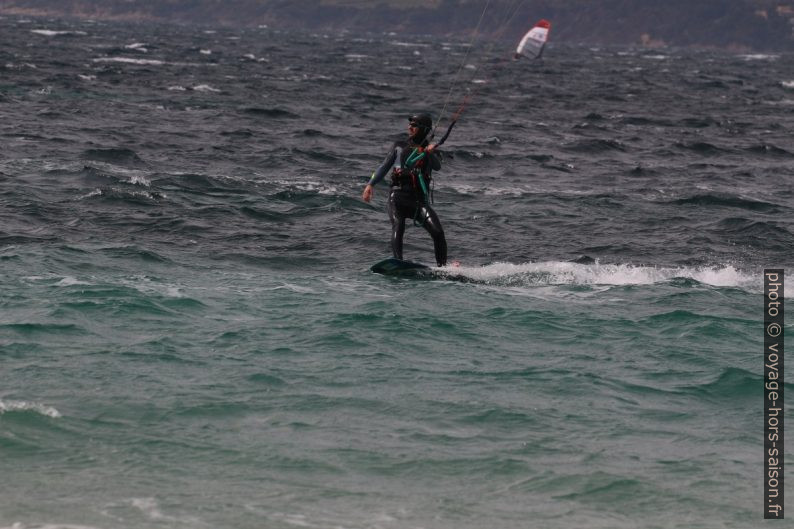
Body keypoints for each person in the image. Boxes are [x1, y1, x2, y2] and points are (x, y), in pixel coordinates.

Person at [362, 113, 447, 267]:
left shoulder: (430, 150)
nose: (409, 127)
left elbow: (437, 166)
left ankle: (443, 268)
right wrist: (370, 184)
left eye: (414, 125)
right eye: (410, 124)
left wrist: (429, 152)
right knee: (398, 225)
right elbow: (384, 166)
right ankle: (398, 262)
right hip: (398, 197)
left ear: (423, 129)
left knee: (438, 233)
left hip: (419, 201)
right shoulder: (399, 146)